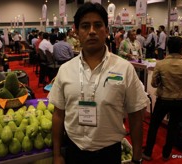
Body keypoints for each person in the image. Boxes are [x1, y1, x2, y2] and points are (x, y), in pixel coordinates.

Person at [48, 2, 149, 164]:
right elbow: (58, 114)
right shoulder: (65, 70)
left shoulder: (124, 69)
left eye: (98, 25)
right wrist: (57, 154)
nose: (92, 31)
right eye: (85, 26)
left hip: (109, 153)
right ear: (76, 32)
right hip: (75, 150)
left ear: (107, 31)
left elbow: (136, 114)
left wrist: (137, 158)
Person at [142, 36, 182, 161]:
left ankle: (148, 152)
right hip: (180, 101)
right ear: (181, 48)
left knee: (154, 125)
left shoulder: (161, 64)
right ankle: (166, 154)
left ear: (168, 48)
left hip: (163, 100)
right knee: (173, 127)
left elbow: (154, 84)